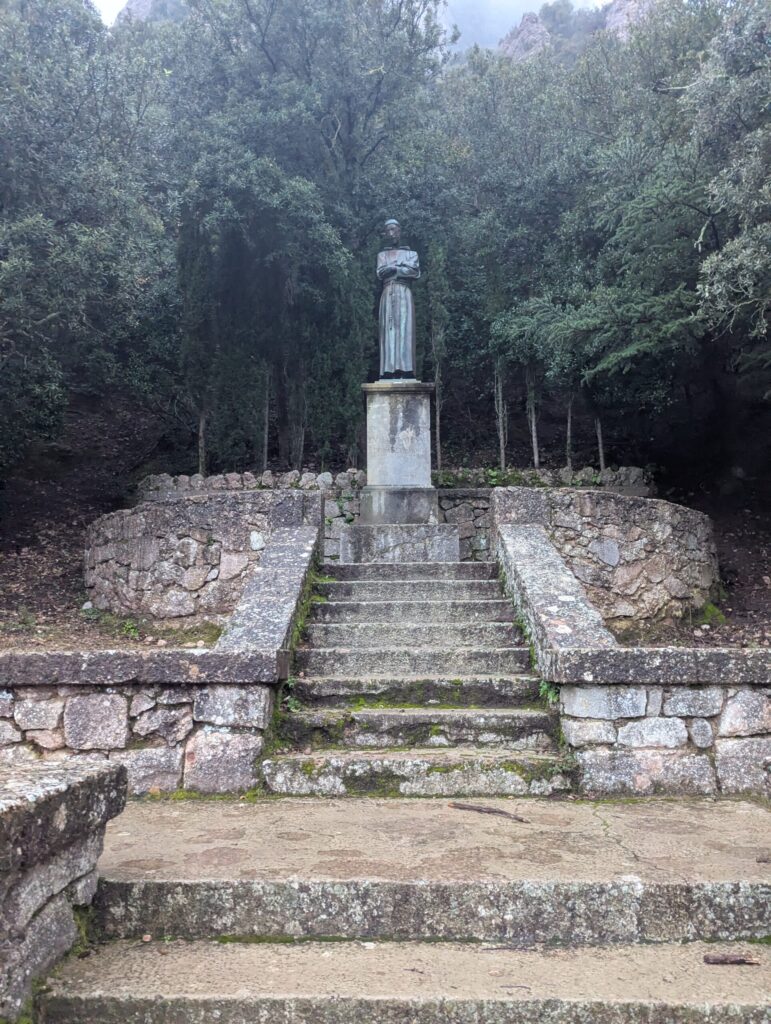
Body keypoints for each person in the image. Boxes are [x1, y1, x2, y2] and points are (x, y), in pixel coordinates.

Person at [377, 219, 420, 379]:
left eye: (393, 229)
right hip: (388, 292)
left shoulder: (411, 254)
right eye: (387, 231)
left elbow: (414, 272)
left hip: (404, 292)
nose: (391, 233)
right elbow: (381, 273)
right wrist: (402, 267)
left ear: (400, 231)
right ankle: (388, 370)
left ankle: (406, 369)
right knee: (388, 331)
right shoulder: (382, 255)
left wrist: (394, 267)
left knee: (405, 329)